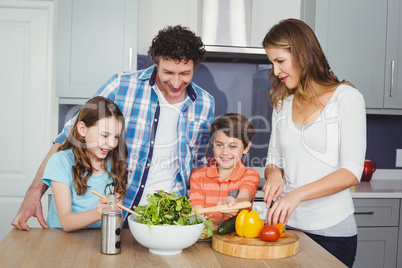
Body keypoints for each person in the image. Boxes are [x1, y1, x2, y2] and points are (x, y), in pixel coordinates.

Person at [12, 25, 215, 229]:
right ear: (156, 62)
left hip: (170, 217)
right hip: (120, 212)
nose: (176, 82)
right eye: (168, 72)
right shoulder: (122, 85)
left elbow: (196, 163)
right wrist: (34, 192)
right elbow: (70, 135)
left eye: (185, 74)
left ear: (194, 68)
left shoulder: (205, 103)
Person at [261, 19, 366, 267]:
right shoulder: (283, 102)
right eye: (272, 63)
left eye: (280, 61)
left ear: (302, 54)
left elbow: (351, 172)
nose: (276, 71)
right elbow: (272, 159)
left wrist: (296, 195)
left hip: (332, 234)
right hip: (286, 229)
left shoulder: (347, 98)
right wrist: (274, 174)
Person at [43, 96, 128, 232]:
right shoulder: (60, 161)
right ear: (82, 129)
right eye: (105, 135)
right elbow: (66, 222)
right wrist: (100, 211)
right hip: (60, 240)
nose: (112, 144)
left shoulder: (116, 165)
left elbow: (119, 223)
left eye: (116, 137)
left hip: (99, 239)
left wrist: (116, 215)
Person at [189, 113, 260, 220]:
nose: (225, 152)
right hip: (206, 235)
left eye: (232, 146)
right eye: (219, 145)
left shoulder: (249, 175)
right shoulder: (198, 177)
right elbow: (197, 212)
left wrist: (234, 204)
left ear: (246, 147)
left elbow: (244, 198)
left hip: (237, 236)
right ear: (212, 145)